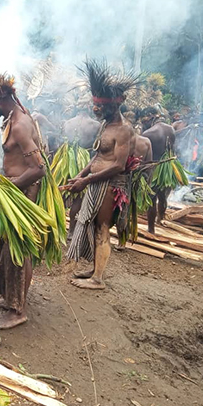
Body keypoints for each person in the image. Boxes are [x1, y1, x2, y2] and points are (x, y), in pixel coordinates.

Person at [0, 71, 45, 329]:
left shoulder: (20, 124)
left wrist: (10, 186)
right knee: (10, 249)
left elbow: (39, 168)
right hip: (15, 190)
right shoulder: (11, 119)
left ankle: (18, 311)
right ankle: (13, 299)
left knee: (18, 251)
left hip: (23, 193)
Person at [65, 60, 139, 290]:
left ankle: (98, 279)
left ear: (114, 105)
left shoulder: (124, 129)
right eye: (94, 104)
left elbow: (117, 165)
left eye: (99, 106)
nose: (95, 109)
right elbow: (97, 157)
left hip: (109, 186)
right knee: (93, 225)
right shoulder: (105, 126)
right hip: (96, 184)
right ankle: (94, 270)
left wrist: (86, 180)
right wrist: (80, 175)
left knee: (102, 228)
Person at [63, 102, 102, 239]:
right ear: (88, 108)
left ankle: (57, 227)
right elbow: (98, 146)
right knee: (78, 198)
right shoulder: (96, 125)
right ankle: (71, 231)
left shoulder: (68, 122)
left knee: (63, 192)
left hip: (65, 159)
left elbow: (64, 140)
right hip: (84, 161)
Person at [139, 107, 176, 233]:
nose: (144, 123)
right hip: (168, 168)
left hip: (154, 169)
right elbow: (172, 150)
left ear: (150, 116)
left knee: (151, 199)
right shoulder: (171, 129)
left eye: (144, 121)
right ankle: (160, 218)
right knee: (163, 197)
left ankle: (151, 229)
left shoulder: (148, 134)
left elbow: (145, 157)